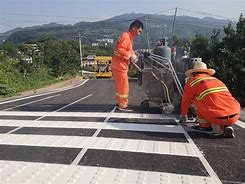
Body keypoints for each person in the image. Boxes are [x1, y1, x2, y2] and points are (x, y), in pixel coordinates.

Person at [179, 59, 240, 138]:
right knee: (221, 104)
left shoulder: (193, 82)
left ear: (193, 73)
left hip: (215, 116)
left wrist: (184, 114)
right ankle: (226, 127)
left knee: (197, 100)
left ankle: (204, 126)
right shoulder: (217, 80)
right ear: (207, 73)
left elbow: (186, 100)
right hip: (234, 114)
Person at [111, 20, 143, 111]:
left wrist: (133, 53)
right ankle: (123, 105)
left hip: (118, 65)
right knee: (124, 86)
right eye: (139, 31)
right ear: (134, 28)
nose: (139, 34)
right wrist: (130, 55)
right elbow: (120, 51)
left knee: (119, 86)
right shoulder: (126, 37)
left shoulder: (128, 37)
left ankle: (119, 103)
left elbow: (125, 50)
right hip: (120, 65)